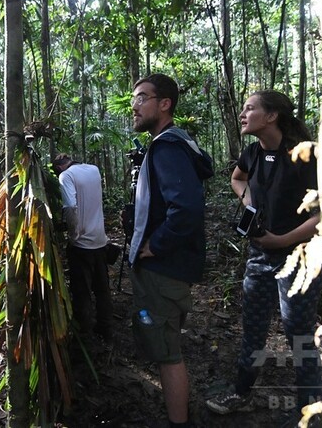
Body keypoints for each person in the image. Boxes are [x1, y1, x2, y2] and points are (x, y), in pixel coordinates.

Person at [206, 90, 322, 420]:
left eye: (249, 108)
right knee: (254, 328)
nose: (243, 114)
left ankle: (312, 412)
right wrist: (250, 206)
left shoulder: (305, 155)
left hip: (301, 258)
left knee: (299, 334)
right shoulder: (252, 153)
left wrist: (282, 239)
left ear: (271, 116)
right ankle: (242, 392)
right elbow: (237, 178)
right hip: (260, 256)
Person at [127, 74, 214, 428]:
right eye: (133, 98)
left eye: (142, 97)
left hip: (163, 270)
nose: (135, 105)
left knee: (168, 355)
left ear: (165, 104)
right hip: (171, 269)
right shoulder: (171, 145)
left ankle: (179, 422)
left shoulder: (166, 147)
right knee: (168, 346)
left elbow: (187, 210)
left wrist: (154, 246)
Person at [52, 153, 113, 342]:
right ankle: (105, 329)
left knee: (82, 291)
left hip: (82, 245)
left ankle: (85, 333)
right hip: (100, 241)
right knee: (102, 289)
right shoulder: (93, 170)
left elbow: (70, 207)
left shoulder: (66, 176)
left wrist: (73, 234)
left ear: (59, 167)